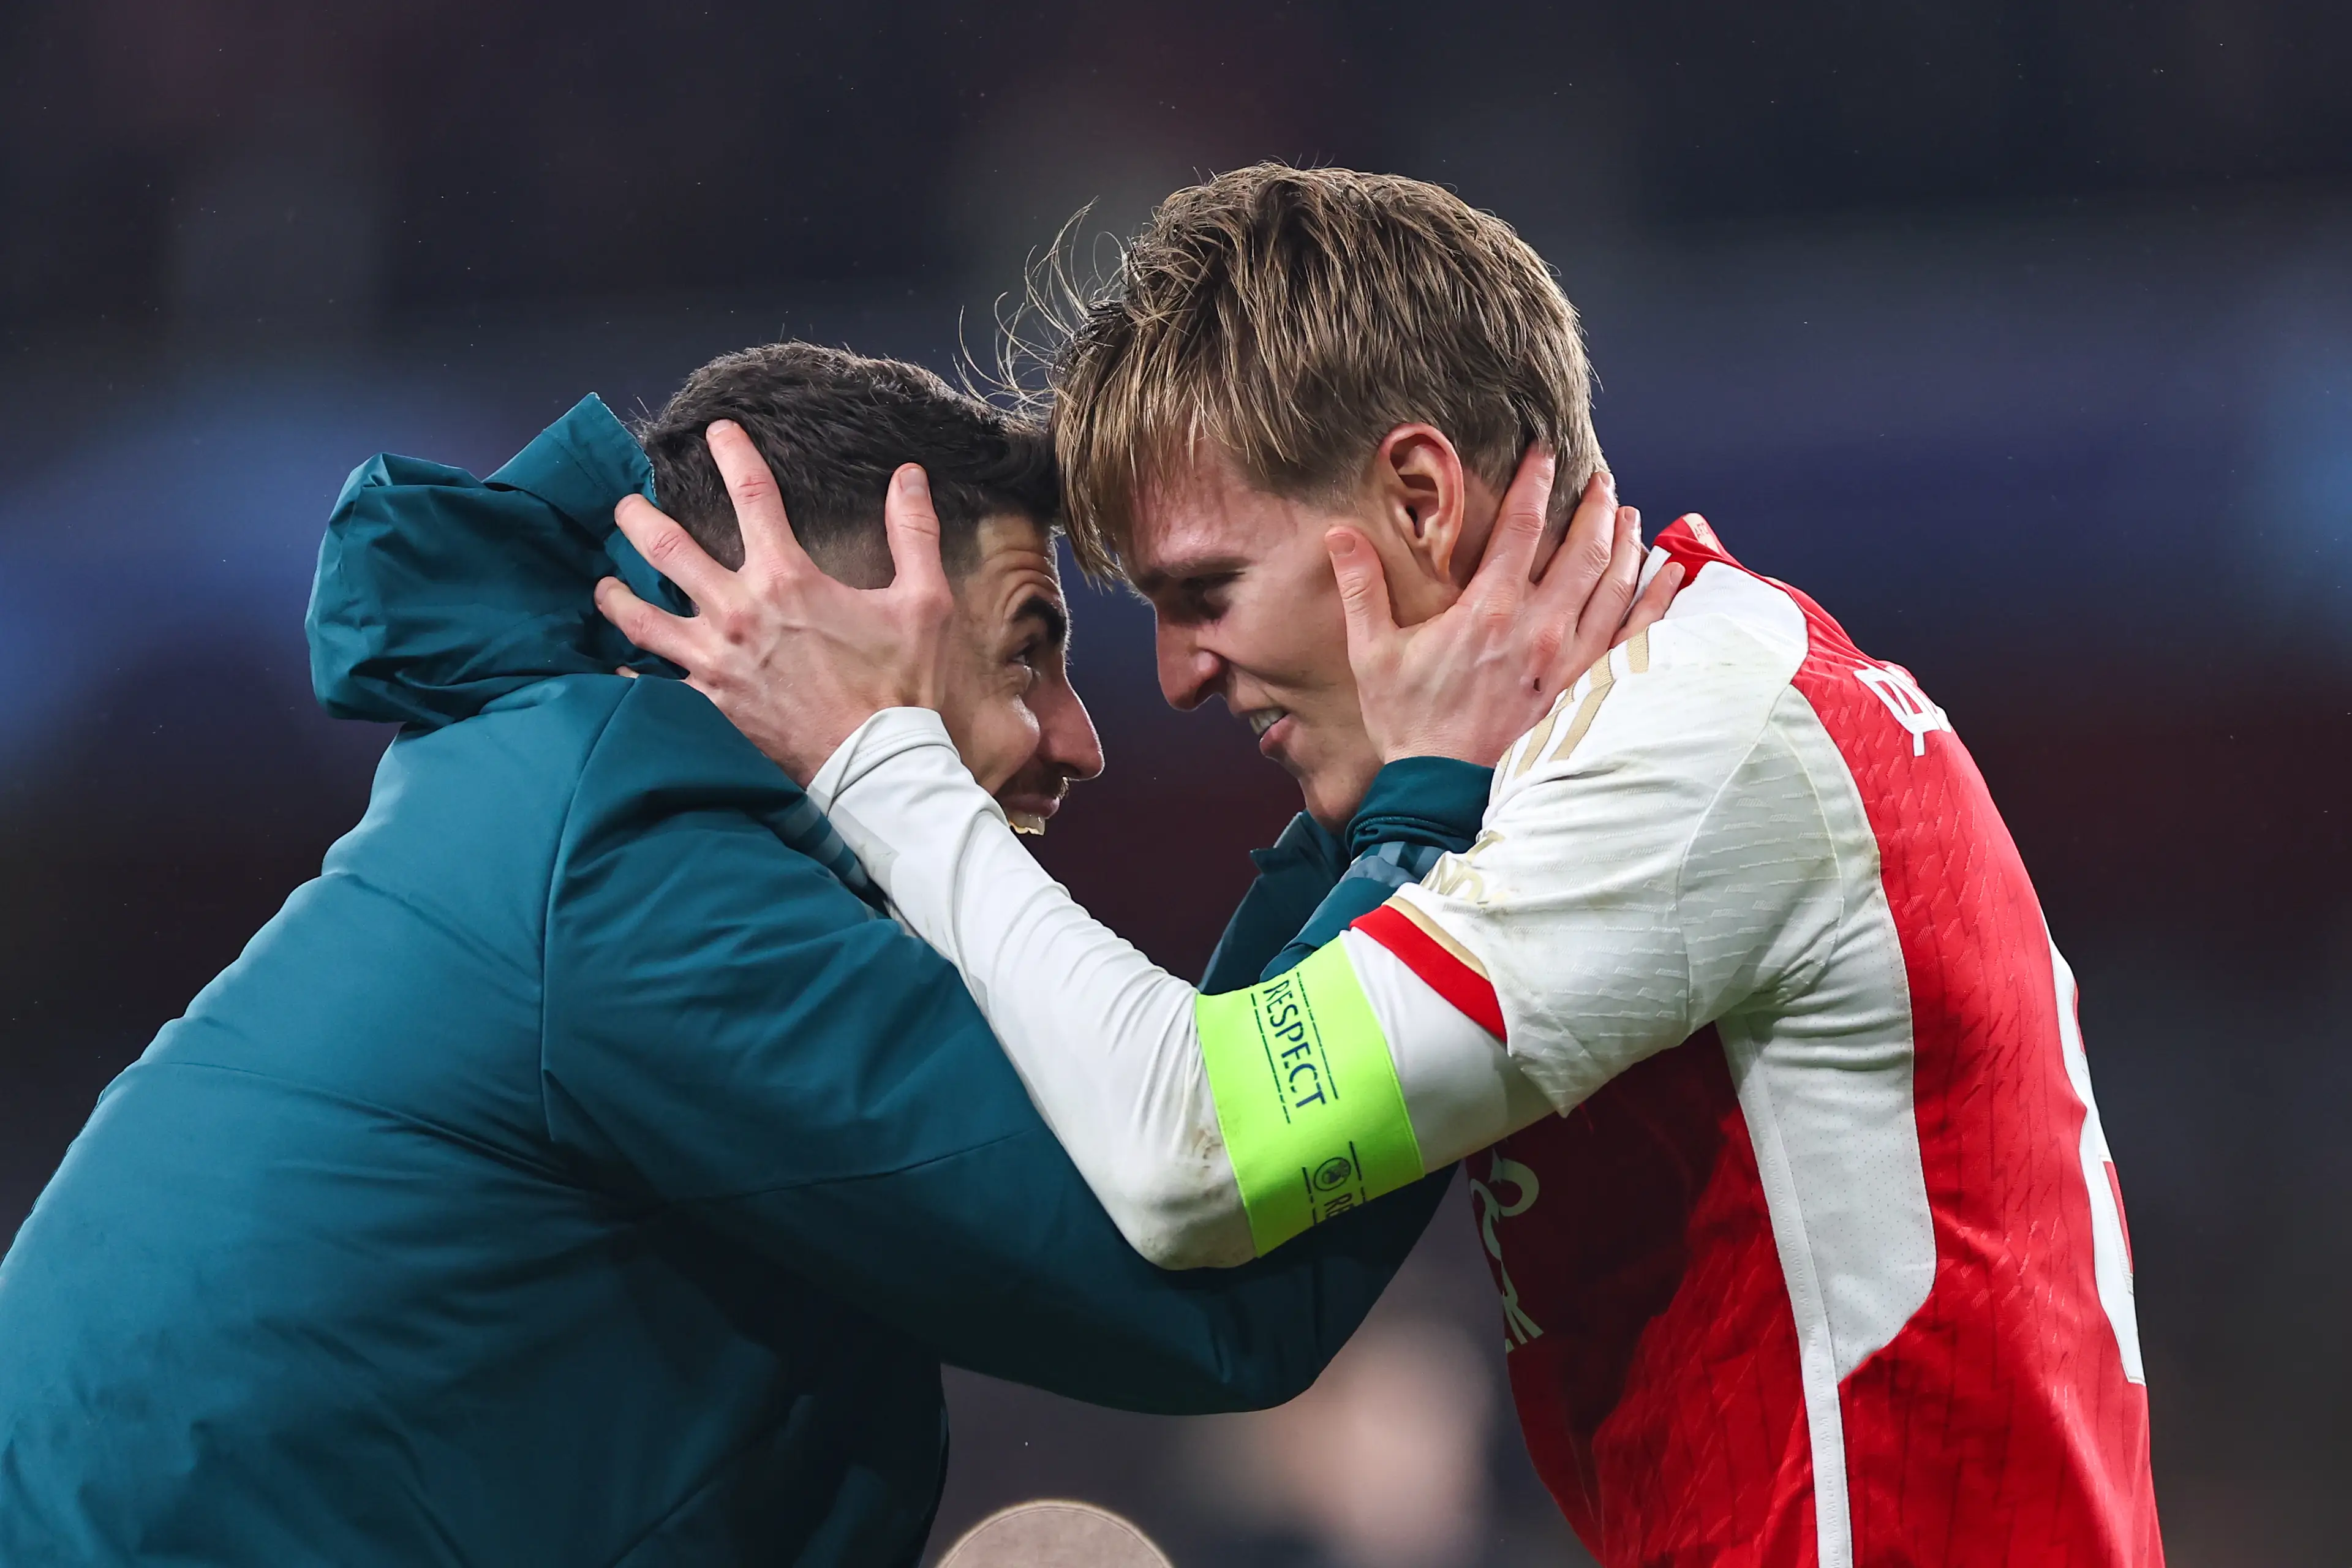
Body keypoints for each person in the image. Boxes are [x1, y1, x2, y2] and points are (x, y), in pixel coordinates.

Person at [603, 167, 2165, 1566]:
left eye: (1208, 589)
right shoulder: (1645, 718)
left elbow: (1197, 1149)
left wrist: (879, 752)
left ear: (1419, 498)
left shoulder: (1694, 749)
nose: (1178, 677)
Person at [0, 342, 1654, 1567]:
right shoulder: (636, 870)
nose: (1079, 738)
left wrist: (1358, 826)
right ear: (843, 626)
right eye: (1029, 650)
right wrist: (1428, 805)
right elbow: (1209, 1283)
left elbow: (1190, 1148)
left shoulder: (582, 810)